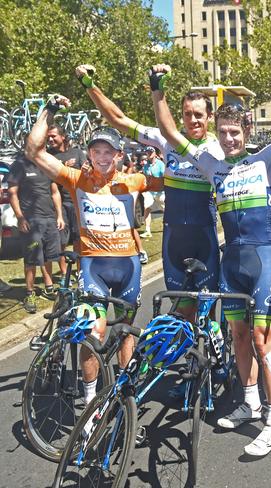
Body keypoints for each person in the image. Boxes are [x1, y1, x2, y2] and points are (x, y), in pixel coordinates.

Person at [150, 56, 271, 456]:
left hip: (262, 260)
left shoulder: (265, 159)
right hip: (232, 262)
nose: (229, 139)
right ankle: (251, 401)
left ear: (247, 131)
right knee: (239, 335)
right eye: (223, 132)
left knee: (262, 340)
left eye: (235, 132)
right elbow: (170, 131)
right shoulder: (211, 166)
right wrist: (157, 89)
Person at [25, 95, 158, 404]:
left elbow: (174, 176)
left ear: (119, 155)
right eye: (96, 151)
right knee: (92, 332)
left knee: (125, 332)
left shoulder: (133, 181)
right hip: (93, 267)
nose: (101, 157)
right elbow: (33, 151)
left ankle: (126, 400)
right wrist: (50, 110)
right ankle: (90, 402)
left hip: (128, 269)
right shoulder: (77, 179)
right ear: (88, 153)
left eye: (108, 151)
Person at [75, 64, 221, 321]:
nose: (193, 120)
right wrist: (90, 86)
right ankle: (191, 361)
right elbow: (118, 120)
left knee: (209, 315)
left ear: (209, 117)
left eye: (199, 114)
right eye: (188, 114)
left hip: (204, 238)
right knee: (182, 312)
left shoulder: (219, 147)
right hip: (174, 238)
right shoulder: (166, 140)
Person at [7, 152, 65, 312]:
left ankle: (49, 287)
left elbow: (55, 192)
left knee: (49, 255)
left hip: (49, 220)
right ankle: (29, 293)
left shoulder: (46, 164)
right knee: (31, 259)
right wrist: (20, 218)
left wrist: (59, 215)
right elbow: (12, 193)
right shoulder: (19, 165)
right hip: (31, 221)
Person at [46, 123, 85, 277]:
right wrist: (62, 166)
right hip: (60, 204)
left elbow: (86, 172)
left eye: (53, 136)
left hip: (78, 202)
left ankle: (80, 271)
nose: (50, 139)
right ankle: (64, 273)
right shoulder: (49, 156)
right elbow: (50, 175)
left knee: (78, 239)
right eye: (48, 137)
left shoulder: (77, 153)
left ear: (63, 136)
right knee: (61, 240)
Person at [140, 146, 165, 238]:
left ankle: (169, 226)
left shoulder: (160, 164)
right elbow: (146, 178)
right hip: (150, 191)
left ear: (155, 154)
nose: (149, 153)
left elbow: (164, 178)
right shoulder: (146, 166)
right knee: (147, 208)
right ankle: (147, 230)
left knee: (166, 210)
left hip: (160, 192)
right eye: (147, 152)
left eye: (151, 152)